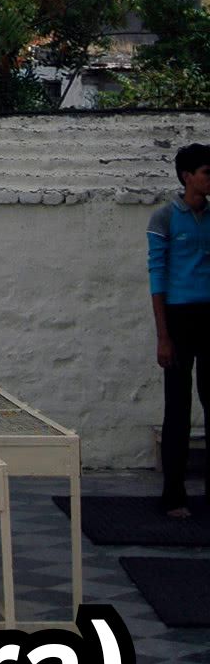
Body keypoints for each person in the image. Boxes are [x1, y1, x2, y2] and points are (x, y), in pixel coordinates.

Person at [148, 140, 210, 514]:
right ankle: (173, 494)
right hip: (179, 317)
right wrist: (163, 336)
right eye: (206, 172)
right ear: (187, 177)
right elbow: (157, 277)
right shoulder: (164, 218)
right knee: (178, 407)